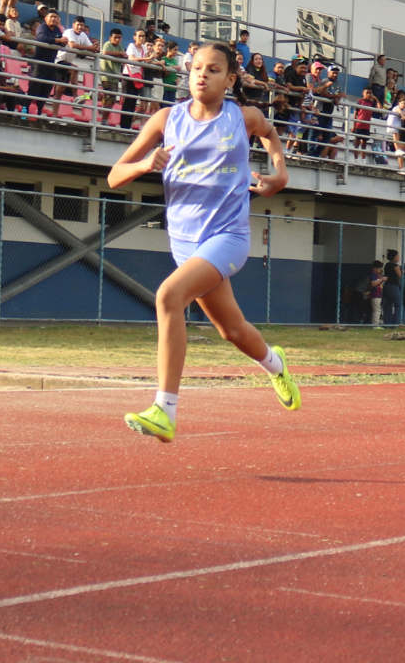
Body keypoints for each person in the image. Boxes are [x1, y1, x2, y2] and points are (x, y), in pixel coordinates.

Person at [107, 42, 301, 443]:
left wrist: (278, 177)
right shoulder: (166, 119)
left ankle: (165, 409)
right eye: (197, 67)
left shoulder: (243, 117)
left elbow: (271, 136)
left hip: (227, 236)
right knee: (231, 330)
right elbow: (115, 175)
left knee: (167, 296)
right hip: (185, 243)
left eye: (213, 70)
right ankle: (275, 365)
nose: (201, 74)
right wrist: (146, 163)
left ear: (230, 79)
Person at [368, 259, 386, 326]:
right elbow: (373, 284)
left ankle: (377, 324)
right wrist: (381, 279)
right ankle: (375, 325)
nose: (380, 270)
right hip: (375, 296)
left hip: (379, 295)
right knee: (376, 311)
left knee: (379, 311)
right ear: (375, 268)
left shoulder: (377, 275)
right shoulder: (373, 275)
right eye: (379, 269)